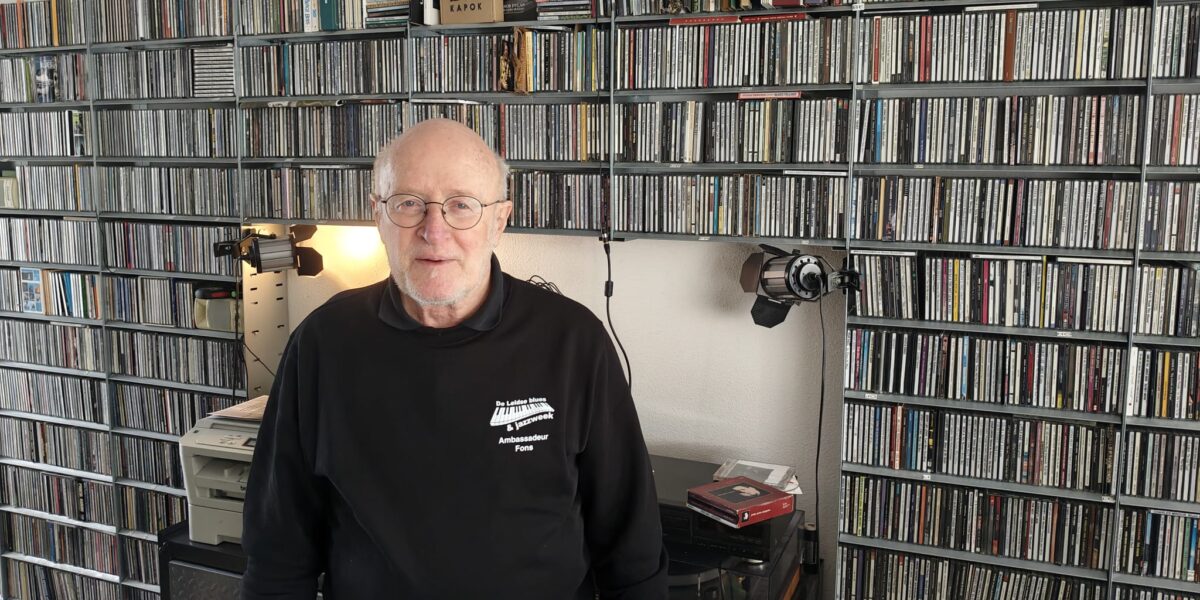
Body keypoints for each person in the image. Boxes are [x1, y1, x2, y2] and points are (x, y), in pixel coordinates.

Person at [240, 119, 668, 599]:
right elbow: (277, 554)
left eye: (461, 205)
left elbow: (632, 551)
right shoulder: (321, 344)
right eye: (409, 203)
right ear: (378, 215)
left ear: (499, 220)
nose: (434, 230)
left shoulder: (574, 342)